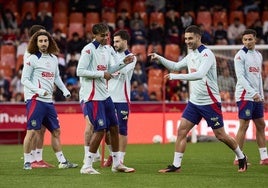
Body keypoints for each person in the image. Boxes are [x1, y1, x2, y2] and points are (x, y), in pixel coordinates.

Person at [148, 25, 248, 173]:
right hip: (194, 103)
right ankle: (176, 166)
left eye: (190, 38)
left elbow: (199, 74)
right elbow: (175, 65)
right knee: (181, 131)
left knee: (220, 135)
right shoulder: (191, 54)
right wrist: (159, 58)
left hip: (210, 102)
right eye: (186, 38)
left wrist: (176, 76)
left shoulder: (207, 54)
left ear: (198, 37)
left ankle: (241, 156)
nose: (187, 41)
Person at [77, 23, 135, 174]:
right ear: (94, 36)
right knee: (100, 129)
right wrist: (101, 74)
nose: (106, 38)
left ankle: (117, 164)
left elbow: (110, 70)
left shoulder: (107, 50)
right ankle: (87, 165)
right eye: (102, 36)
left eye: (107, 35)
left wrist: (123, 63)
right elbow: (80, 71)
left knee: (114, 128)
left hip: (105, 95)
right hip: (93, 95)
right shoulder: (88, 50)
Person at [21, 30, 78, 170]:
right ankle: (27, 162)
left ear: (49, 42)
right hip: (36, 100)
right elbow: (24, 79)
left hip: (48, 102)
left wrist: (64, 90)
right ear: (36, 43)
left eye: (45, 41)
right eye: (40, 41)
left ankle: (62, 162)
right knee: (32, 131)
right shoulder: (32, 58)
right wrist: (38, 91)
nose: (43, 43)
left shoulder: (53, 58)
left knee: (56, 131)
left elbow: (56, 77)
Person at [233, 29, 268, 165]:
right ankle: (238, 158)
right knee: (244, 125)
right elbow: (240, 77)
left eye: (250, 39)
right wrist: (253, 93)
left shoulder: (258, 55)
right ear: (242, 41)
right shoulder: (240, 56)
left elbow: (258, 77)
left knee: (261, 124)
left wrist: (260, 94)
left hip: (256, 96)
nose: (247, 42)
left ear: (255, 39)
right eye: (245, 40)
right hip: (244, 95)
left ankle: (264, 157)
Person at [104, 30, 137, 166]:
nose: (114, 44)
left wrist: (112, 68)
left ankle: (120, 159)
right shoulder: (110, 55)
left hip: (122, 98)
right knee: (104, 130)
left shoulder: (132, 57)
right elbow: (105, 70)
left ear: (125, 41)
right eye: (114, 41)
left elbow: (122, 70)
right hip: (107, 97)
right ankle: (113, 154)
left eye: (117, 41)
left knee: (122, 129)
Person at [24, 25, 53, 168]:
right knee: (34, 130)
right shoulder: (30, 55)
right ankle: (30, 159)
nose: (43, 41)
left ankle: (38, 158)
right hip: (33, 96)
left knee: (41, 129)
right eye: (40, 37)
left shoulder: (44, 55)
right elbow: (27, 77)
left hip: (43, 96)